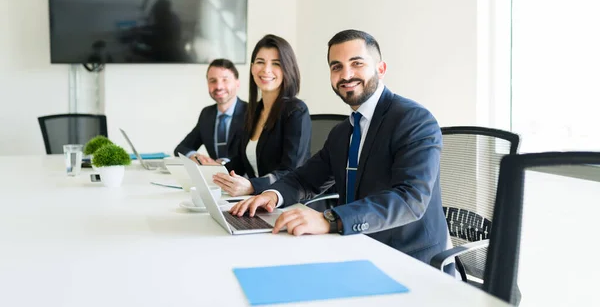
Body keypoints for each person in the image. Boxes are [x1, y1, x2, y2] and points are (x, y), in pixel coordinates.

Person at [230, 29, 452, 272]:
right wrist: (272, 195)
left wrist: (330, 219)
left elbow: (409, 199)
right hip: (356, 250)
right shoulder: (342, 132)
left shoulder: (413, 120)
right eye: (336, 67)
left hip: (410, 263)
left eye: (357, 63)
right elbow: (305, 179)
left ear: (381, 69)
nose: (346, 74)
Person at [209, 34, 312, 197]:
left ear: (287, 68)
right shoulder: (252, 111)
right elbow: (240, 163)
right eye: (260, 62)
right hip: (257, 201)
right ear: (252, 68)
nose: (266, 70)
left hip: (287, 203)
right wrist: (210, 175)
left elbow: (291, 172)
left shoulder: (296, 111)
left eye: (276, 63)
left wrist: (252, 186)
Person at [174, 59, 247, 164]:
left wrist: (221, 163)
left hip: (244, 179)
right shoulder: (207, 114)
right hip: (214, 178)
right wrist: (194, 156)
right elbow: (181, 148)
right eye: (213, 80)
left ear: (237, 83)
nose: (218, 86)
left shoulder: (251, 113)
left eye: (225, 80)